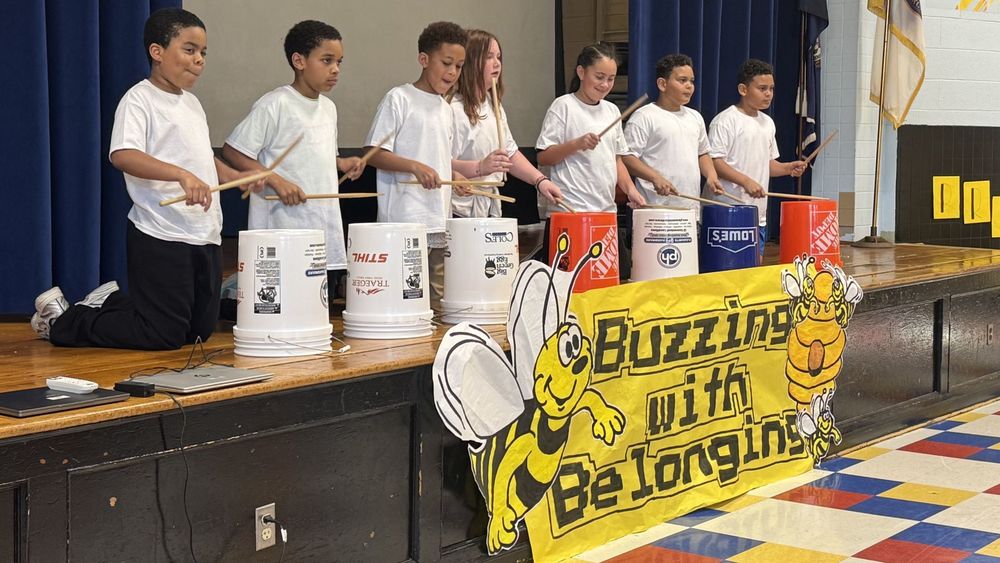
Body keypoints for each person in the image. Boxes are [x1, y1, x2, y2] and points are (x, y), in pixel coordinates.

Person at [30, 8, 263, 349]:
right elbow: (123, 154)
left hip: (204, 232)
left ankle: (108, 300)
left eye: (203, 53)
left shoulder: (193, 104)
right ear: (157, 52)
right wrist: (180, 175)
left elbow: (202, 159)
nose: (199, 60)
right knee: (163, 335)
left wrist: (237, 176)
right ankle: (65, 321)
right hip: (160, 230)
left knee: (198, 332)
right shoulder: (139, 99)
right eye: (189, 50)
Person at [223, 20, 363, 305]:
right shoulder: (274, 104)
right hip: (282, 224)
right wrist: (277, 180)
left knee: (314, 308)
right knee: (285, 306)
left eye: (339, 62)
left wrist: (341, 163)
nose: (335, 69)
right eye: (327, 60)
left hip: (321, 223)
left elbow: (314, 155)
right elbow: (234, 151)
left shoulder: (329, 108)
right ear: (299, 60)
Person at [363, 21, 468, 307]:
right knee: (404, 295)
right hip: (404, 219)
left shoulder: (446, 109)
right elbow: (373, 153)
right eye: (446, 63)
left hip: (437, 218)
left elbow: (437, 157)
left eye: (458, 66)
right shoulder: (399, 99)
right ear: (424, 59)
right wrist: (414, 166)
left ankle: (434, 347)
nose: (452, 72)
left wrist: (454, 175)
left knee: (435, 296)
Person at [534, 42, 645, 264]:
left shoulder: (611, 110)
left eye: (611, 79)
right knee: (570, 279)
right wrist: (576, 144)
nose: (605, 85)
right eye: (599, 76)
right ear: (581, 72)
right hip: (570, 211)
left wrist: (630, 189)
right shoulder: (563, 106)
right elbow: (543, 156)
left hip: (604, 211)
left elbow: (617, 160)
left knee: (612, 278)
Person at [449, 29, 563, 218]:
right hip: (457, 208)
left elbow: (510, 153)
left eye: (499, 57)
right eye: (489, 57)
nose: (497, 64)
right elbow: (439, 163)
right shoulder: (452, 108)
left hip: (487, 207)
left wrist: (540, 181)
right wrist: (479, 166)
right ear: (469, 61)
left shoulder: (494, 105)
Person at [707, 58, 806, 256]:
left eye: (771, 88)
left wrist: (787, 168)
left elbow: (767, 164)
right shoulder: (725, 121)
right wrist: (745, 182)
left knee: (753, 270)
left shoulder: (768, 122)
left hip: (757, 214)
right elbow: (715, 162)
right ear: (743, 89)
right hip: (727, 210)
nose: (768, 94)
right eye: (762, 88)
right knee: (727, 273)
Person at [623, 53, 723, 213]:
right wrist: (655, 177)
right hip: (655, 209)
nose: (689, 86)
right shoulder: (644, 116)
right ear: (662, 84)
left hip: (690, 210)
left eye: (691, 81)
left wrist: (711, 175)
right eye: (682, 80)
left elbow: (702, 153)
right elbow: (627, 157)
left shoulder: (695, 117)